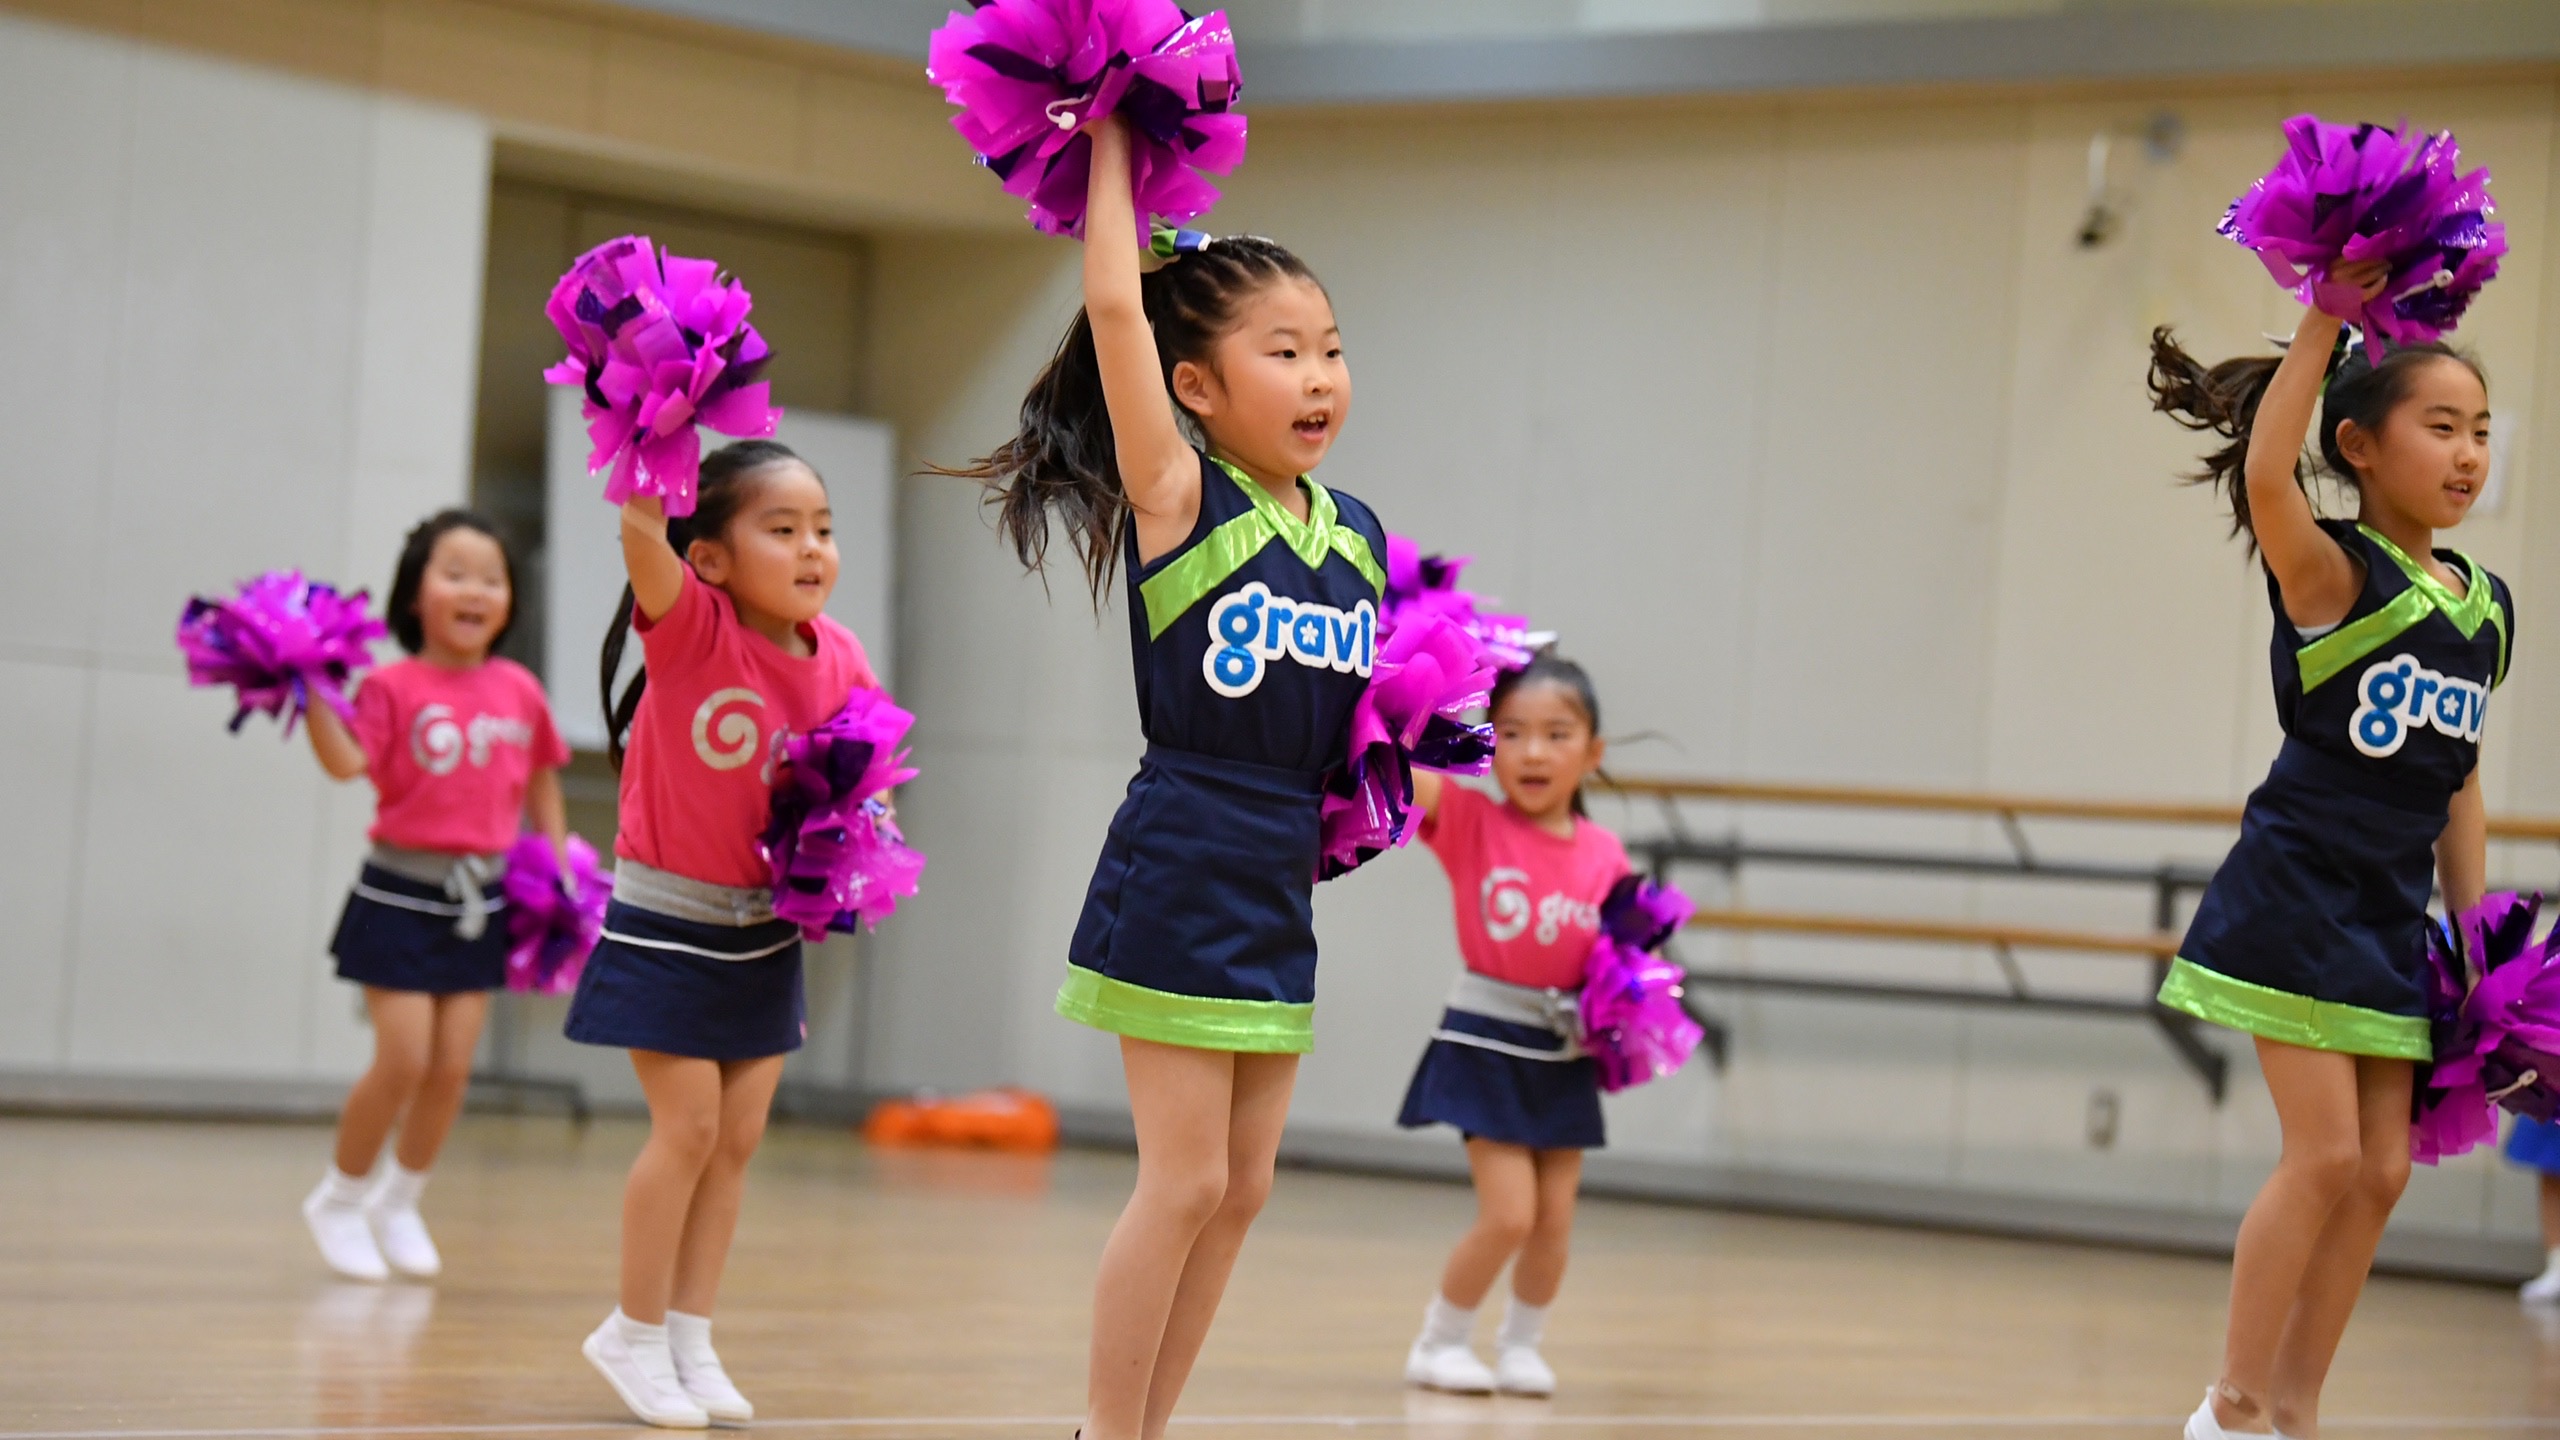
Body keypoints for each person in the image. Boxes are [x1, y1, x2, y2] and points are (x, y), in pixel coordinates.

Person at [941, 115, 1381, 1440]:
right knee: (1183, 1182)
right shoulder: (1184, 497)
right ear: (1197, 387)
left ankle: (1144, 1429)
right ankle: (1103, 1429)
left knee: (1241, 1189)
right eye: (1283, 351)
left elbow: (1367, 709)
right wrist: (1116, 144)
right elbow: (1116, 312)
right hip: (1187, 850)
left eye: (1332, 348)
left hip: (1279, 871)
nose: (1319, 376)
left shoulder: (1351, 533)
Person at [2148, 258, 2510, 1440]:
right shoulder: (2330, 574)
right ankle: (2230, 1403)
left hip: (2390, 917)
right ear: (2358, 446)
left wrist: (2480, 935)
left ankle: (2294, 1408)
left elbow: (2453, 777)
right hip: (2294, 896)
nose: (2466, 454)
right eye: (2439, 427)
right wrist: (2325, 318)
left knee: (2383, 1171)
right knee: (2321, 1159)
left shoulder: (2482, 605)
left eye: (2481, 432)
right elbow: (2266, 472)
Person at [568, 440, 881, 1429]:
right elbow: (635, 527)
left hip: (762, 931)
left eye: (823, 530)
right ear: (708, 556)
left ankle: (690, 1336)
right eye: (781, 530)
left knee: (737, 1139)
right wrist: (654, 430)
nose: (811, 549)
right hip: (666, 918)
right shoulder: (689, 626)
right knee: (689, 1127)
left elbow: (854, 793)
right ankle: (631, 1328)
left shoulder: (842, 655)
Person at [301, 510, 569, 1283]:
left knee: (452, 1069)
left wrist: (557, 863)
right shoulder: (390, 685)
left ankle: (400, 1200)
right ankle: (340, 1196)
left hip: (479, 902)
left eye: (492, 577)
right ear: (416, 594)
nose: (475, 590)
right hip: (397, 894)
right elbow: (346, 763)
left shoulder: (519, 689)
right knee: (404, 1058)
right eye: (454, 573)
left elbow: (543, 777)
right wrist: (313, 693)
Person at [1395, 654, 1623, 1399]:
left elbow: (1624, 961)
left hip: (1563, 1049)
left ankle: (1522, 1346)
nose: (1532, 751)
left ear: (1592, 752)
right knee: (1510, 1214)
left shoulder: (1606, 854)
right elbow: (1402, 768)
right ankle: (1439, 1341)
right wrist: (1410, 684)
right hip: (1485, 1040)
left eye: (1557, 734)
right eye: (1513, 732)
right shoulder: (1470, 821)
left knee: (1554, 1219)